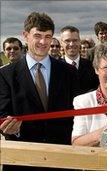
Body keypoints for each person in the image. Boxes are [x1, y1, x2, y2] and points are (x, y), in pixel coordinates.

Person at [0, 12, 79, 171]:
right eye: (37, 36)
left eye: (48, 36)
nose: (43, 42)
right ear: (25, 35)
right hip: (22, 159)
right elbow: (2, 114)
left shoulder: (69, 72)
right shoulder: (5, 75)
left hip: (62, 158)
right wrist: (9, 128)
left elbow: (77, 113)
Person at [60, 25, 99, 94]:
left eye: (75, 40)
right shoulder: (55, 67)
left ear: (79, 42)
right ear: (61, 43)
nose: (71, 44)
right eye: (67, 41)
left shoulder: (91, 66)